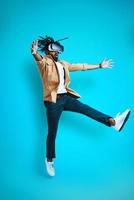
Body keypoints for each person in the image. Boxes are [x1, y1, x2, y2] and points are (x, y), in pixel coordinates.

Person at [31, 35, 131, 177]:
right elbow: (39, 61)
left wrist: (99, 66)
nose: (58, 52)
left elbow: (81, 66)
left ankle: (112, 122)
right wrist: (35, 53)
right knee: (52, 132)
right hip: (53, 101)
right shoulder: (45, 64)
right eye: (55, 49)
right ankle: (49, 159)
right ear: (48, 50)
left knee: (86, 108)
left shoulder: (63, 64)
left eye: (59, 49)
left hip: (66, 97)